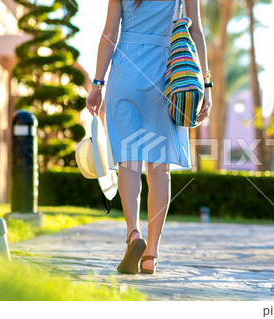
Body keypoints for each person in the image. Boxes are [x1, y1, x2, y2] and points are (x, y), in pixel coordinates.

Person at [85, 0, 212, 275]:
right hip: (166, 75)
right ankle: (151, 254)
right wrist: (206, 85)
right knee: (159, 168)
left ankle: (133, 234)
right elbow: (197, 33)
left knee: (128, 163)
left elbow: (110, 33)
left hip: (125, 71)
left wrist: (97, 84)